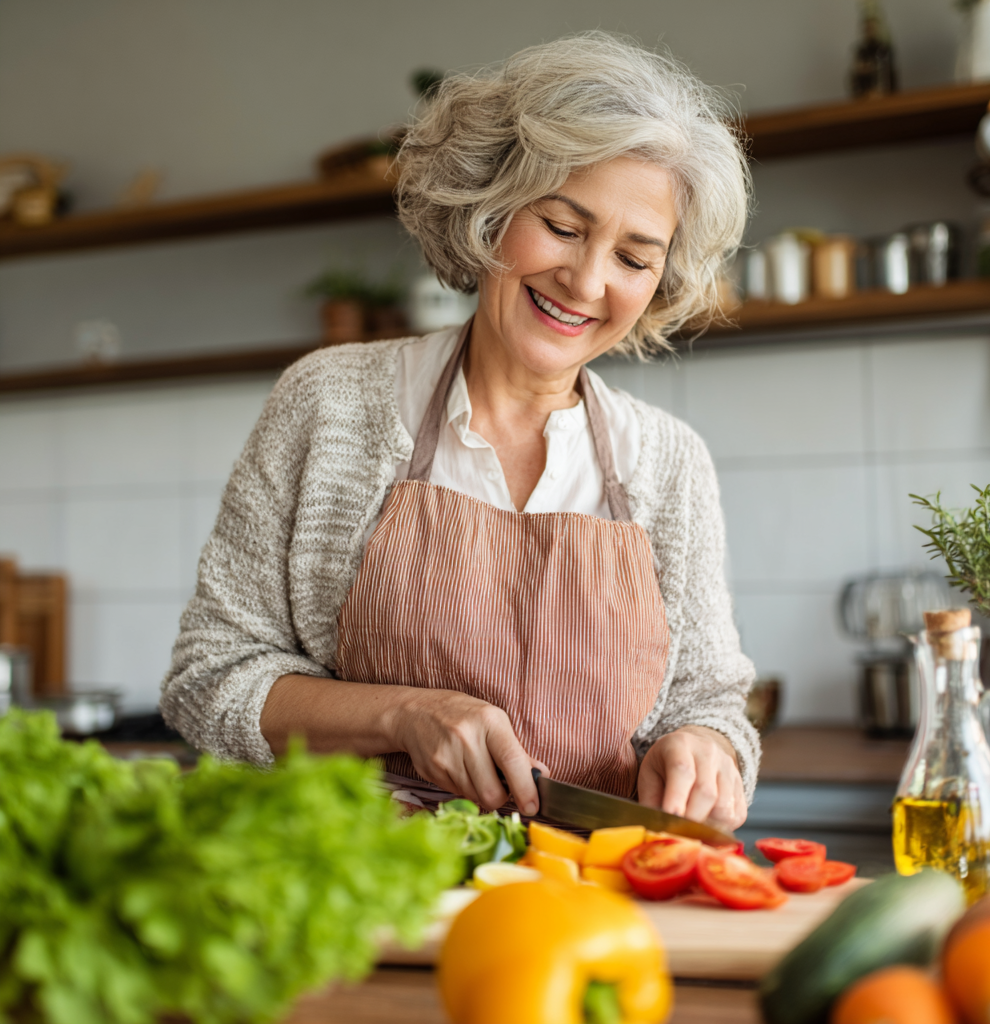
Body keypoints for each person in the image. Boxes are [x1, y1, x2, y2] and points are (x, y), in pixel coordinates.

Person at [162, 32, 759, 831]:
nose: (587, 282)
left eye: (634, 257)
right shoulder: (331, 405)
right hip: (361, 892)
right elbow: (211, 677)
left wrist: (703, 747)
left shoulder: (669, 463)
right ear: (490, 208)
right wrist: (405, 715)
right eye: (562, 225)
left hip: (582, 903)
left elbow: (709, 703)